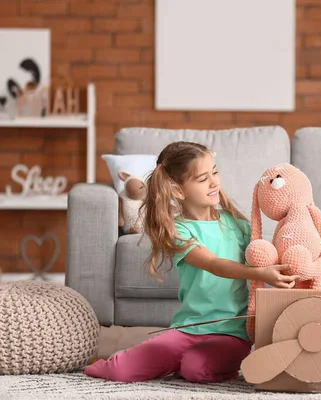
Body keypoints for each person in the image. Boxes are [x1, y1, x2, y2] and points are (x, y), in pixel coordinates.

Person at [84, 141, 297, 383]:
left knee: (195, 369)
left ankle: (186, 363)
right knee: (120, 371)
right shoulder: (178, 231)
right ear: (178, 190)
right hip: (187, 330)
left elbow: (266, 254)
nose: (214, 182)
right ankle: (121, 363)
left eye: (215, 172)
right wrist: (260, 272)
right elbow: (214, 264)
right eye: (202, 178)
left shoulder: (238, 225)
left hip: (230, 334)